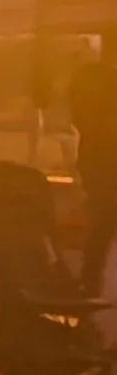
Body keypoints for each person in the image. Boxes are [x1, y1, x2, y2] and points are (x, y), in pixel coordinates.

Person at [67, 34, 117, 299]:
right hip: (104, 167)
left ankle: (91, 286)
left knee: (100, 229)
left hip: (96, 165)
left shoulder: (88, 81)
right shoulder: (103, 82)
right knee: (102, 227)